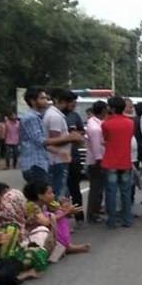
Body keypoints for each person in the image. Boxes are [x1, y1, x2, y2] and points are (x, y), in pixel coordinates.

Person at [0, 189, 51, 273]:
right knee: (38, 252)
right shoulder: (11, 226)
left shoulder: (2, 217)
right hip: (3, 261)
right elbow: (6, 255)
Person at [22, 180, 90, 255]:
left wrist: (65, 208)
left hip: (41, 231)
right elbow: (45, 222)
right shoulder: (31, 205)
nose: (53, 195)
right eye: (49, 193)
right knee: (52, 215)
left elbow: (61, 210)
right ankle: (66, 247)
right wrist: (66, 212)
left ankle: (65, 245)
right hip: (30, 234)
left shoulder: (46, 203)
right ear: (40, 196)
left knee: (58, 213)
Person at [101, 97, 135, 229]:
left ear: (112, 108)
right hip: (125, 161)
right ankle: (127, 219)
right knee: (125, 192)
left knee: (111, 192)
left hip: (110, 161)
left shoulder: (106, 124)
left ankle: (112, 220)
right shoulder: (130, 123)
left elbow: (105, 138)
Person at [61, 92, 86, 223]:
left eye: (75, 103)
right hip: (59, 156)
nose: (73, 105)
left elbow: (82, 132)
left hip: (74, 156)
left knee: (75, 188)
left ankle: (79, 216)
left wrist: (75, 133)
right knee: (60, 190)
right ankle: (62, 219)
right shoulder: (55, 116)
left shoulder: (75, 116)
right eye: (71, 103)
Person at [85, 101, 107, 224]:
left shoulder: (96, 123)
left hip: (97, 160)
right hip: (96, 161)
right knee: (96, 189)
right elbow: (96, 147)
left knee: (98, 189)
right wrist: (99, 161)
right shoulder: (95, 128)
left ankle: (95, 212)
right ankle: (93, 214)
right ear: (103, 111)